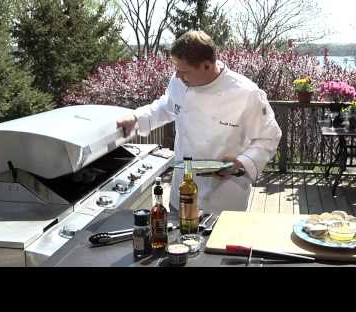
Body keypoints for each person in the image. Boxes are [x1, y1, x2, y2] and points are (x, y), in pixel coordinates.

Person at [117, 30, 282, 215]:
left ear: (206, 65)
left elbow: (269, 137)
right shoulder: (179, 83)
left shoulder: (246, 93)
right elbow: (166, 106)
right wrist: (136, 117)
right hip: (182, 191)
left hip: (225, 195)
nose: (177, 75)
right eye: (176, 69)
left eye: (184, 71)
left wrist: (240, 162)